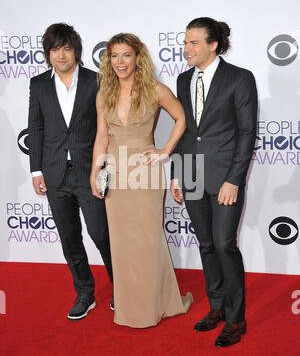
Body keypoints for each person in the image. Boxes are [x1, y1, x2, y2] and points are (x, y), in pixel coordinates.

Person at [90, 33, 193, 328]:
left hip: (144, 171)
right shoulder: (104, 93)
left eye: (126, 55)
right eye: (114, 56)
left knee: (148, 239)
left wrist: (164, 151)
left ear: (138, 58)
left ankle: (153, 304)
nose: (119, 62)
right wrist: (95, 172)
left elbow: (182, 118)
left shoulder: (154, 89)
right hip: (115, 171)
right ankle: (129, 306)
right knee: (122, 242)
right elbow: (102, 136)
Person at [171, 17, 258, 347]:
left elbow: (247, 132)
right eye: (185, 42)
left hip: (225, 176)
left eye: (194, 42)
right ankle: (217, 306)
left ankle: (236, 319)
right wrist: (178, 173)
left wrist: (233, 180)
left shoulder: (239, 78)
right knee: (206, 244)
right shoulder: (182, 80)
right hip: (190, 169)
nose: (187, 48)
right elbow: (185, 131)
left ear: (213, 45)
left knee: (224, 244)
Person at [28, 23, 113, 321]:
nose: (61, 55)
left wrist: (103, 170)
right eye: (54, 49)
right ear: (47, 53)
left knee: (101, 233)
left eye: (66, 48)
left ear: (76, 50)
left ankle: (122, 287)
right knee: (69, 238)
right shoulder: (38, 84)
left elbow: (107, 130)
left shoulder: (96, 81)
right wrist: (36, 171)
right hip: (54, 174)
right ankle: (85, 292)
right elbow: (36, 128)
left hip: (90, 172)